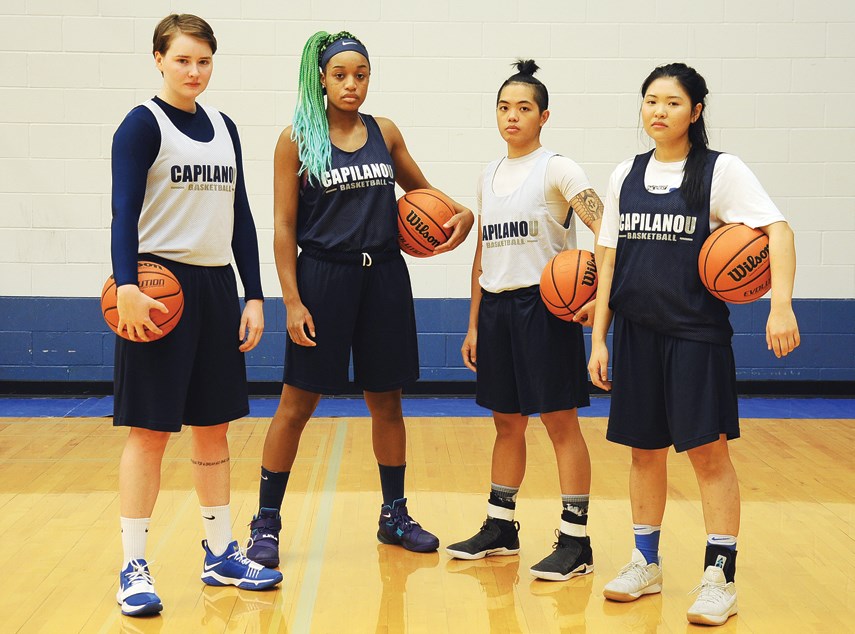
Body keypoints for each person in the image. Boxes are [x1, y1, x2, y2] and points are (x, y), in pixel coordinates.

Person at [245, 31, 474, 567]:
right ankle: (266, 521)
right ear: (321, 79)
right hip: (323, 278)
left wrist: (461, 217)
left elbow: (429, 198)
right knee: (296, 403)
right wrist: (293, 301)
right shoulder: (296, 139)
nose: (352, 84)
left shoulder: (385, 132)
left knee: (387, 401)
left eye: (361, 75)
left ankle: (394, 514)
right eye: (341, 75)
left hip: (384, 277)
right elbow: (282, 227)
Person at [588, 62, 800, 626]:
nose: (659, 111)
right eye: (650, 100)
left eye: (673, 102)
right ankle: (646, 562)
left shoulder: (719, 171)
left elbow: (778, 229)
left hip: (695, 336)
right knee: (643, 451)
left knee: (708, 455)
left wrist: (780, 304)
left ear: (696, 112)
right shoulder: (624, 175)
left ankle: (719, 576)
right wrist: (599, 338)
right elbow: (607, 260)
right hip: (634, 333)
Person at [110, 13, 282, 617]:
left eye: (204, 61)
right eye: (183, 59)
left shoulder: (224, 126)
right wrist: (126, 285)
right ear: (158, 58)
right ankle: (133, 565)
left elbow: (241, 218)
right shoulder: (141, 126)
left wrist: (254, 294)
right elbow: (123, 213)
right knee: (150, 430)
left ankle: (219, 551)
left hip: (214, 288)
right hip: (159, 287)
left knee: (214, 426)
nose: (194, 71)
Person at [445, 60, 603, 583]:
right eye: (504, 108)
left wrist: (599, 293)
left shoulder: (559, 169)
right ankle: (501, 526)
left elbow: (608, 229)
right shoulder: (488, 174)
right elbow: (484, 252)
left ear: (544, 115)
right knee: (506, 422)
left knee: (560, 423)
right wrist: (472, 323)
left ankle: (576, 539)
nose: (512, 117)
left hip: (547, 308)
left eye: (524, 108)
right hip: (496, 308)